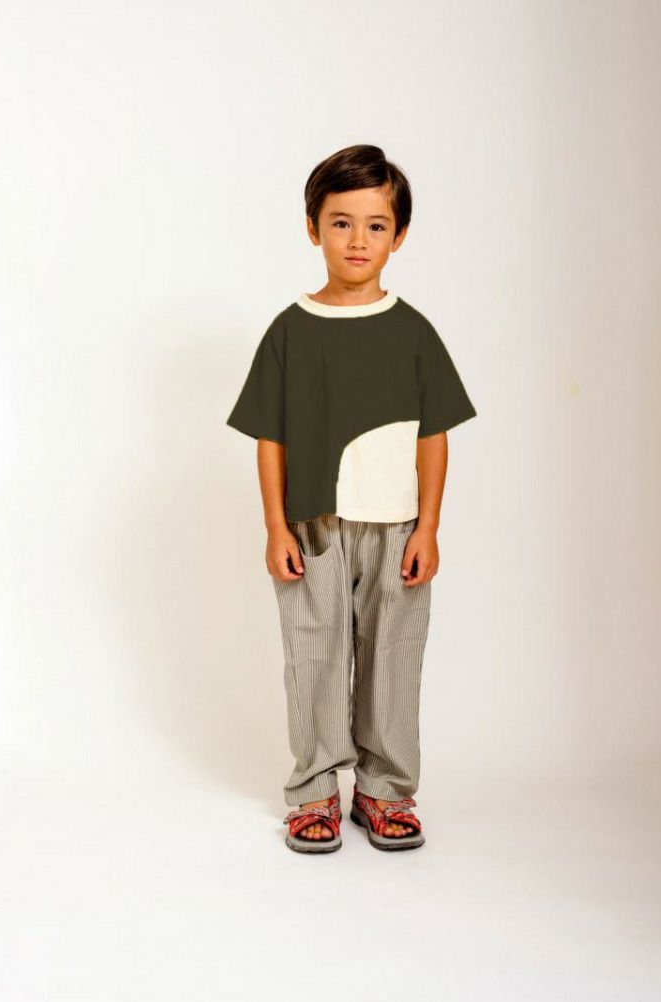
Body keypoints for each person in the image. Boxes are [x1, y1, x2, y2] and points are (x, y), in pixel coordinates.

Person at [225, 144, 477, 854]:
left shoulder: (413, 332)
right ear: (313, 228)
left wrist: (429, 527)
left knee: (394, 657)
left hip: (396, 527)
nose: (358, 240)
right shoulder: (290, 330)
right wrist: (276, 527)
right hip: (313, 525)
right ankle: (313, 792)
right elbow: (269, 436)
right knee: (314, 656)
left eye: (375, 225)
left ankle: (384, 790)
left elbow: (434, 435)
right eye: (341, 223)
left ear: (399, 236)